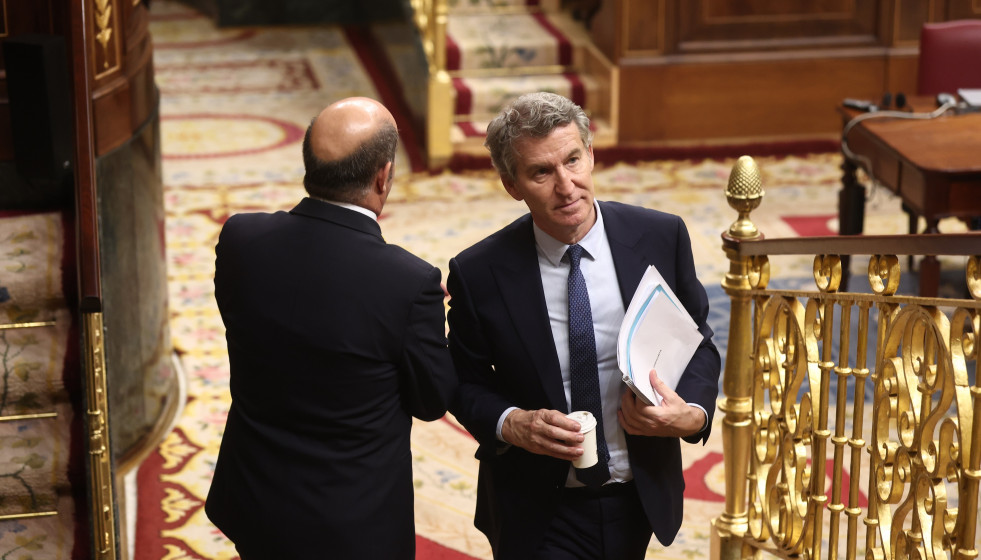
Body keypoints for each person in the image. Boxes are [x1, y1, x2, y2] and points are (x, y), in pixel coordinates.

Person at [446, 92, 721, 559]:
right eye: (541, 172)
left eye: (573, 160)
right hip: (537, 505)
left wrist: (692, 413)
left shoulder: (661, 236)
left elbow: (696, 342)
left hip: (639, 494)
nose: (566, 186)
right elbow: (461, 380)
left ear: (591, 154)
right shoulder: (478, 273)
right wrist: (513, 423)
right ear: (512, 185)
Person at [205, 97, 457, 559]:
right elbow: (431, 401)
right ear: (383, 176)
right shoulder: (407, 283)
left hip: (253, 499)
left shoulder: (240, 238)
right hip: (352, 526)